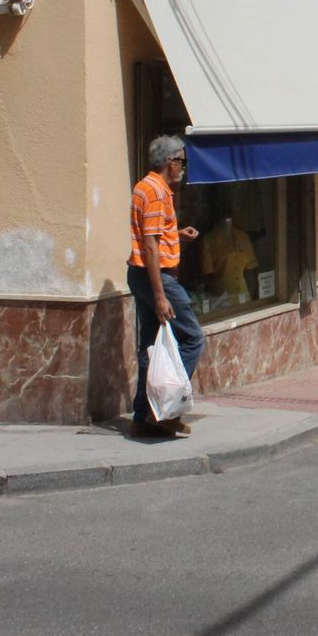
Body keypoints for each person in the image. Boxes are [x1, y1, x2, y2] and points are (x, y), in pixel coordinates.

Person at [127, 135, 203, 438]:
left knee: (150, 348)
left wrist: (176, 234)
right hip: (156, 278)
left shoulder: (144, 186)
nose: (183, 167)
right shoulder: (158, 192)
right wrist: (160, 295)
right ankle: (165, 409)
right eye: (181, 161)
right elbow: (149, 245)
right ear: (170, 161)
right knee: (194, 339)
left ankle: (143, 417)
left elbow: (153, 234)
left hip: (140, 274)